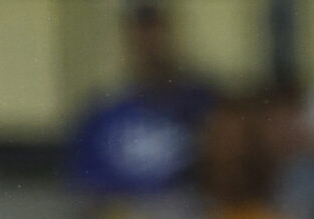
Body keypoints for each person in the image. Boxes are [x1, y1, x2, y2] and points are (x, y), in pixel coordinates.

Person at [67, 3, 216, 200]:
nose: (150, 46)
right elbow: (83, 183)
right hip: (123, 217)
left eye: (156, 33)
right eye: (141, 35)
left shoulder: (205, 104)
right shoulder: (102, 114)